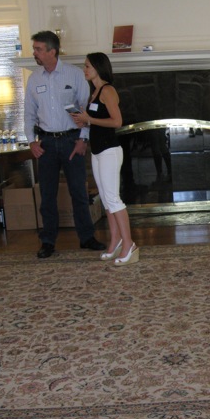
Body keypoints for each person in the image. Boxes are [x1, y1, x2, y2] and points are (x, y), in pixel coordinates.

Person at [24, 31, 106, 259]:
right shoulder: (34, 79)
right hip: (46, 143)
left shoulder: (74, 74)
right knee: (47, 195)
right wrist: (31, 141)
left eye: (38, 49)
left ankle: (87, 237)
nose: (34, 53)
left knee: (79, 192)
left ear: (52, 51)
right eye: (35, 49)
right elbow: (29, 113)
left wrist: (83, 139)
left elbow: (86, 109)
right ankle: (48, 241)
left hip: (72, 140)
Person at [71, 52, 139, 266]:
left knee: (113, 198)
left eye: (87, 66)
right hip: (98, 151)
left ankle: (129, 244)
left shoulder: (107, 90)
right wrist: (85, 121)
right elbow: (98, 120)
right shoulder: (94, 93)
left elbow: (117, 121)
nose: (84, 70)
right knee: (106, 199)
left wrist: (89, 119)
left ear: (98, 68)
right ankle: (115, 241)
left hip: (110, 150)